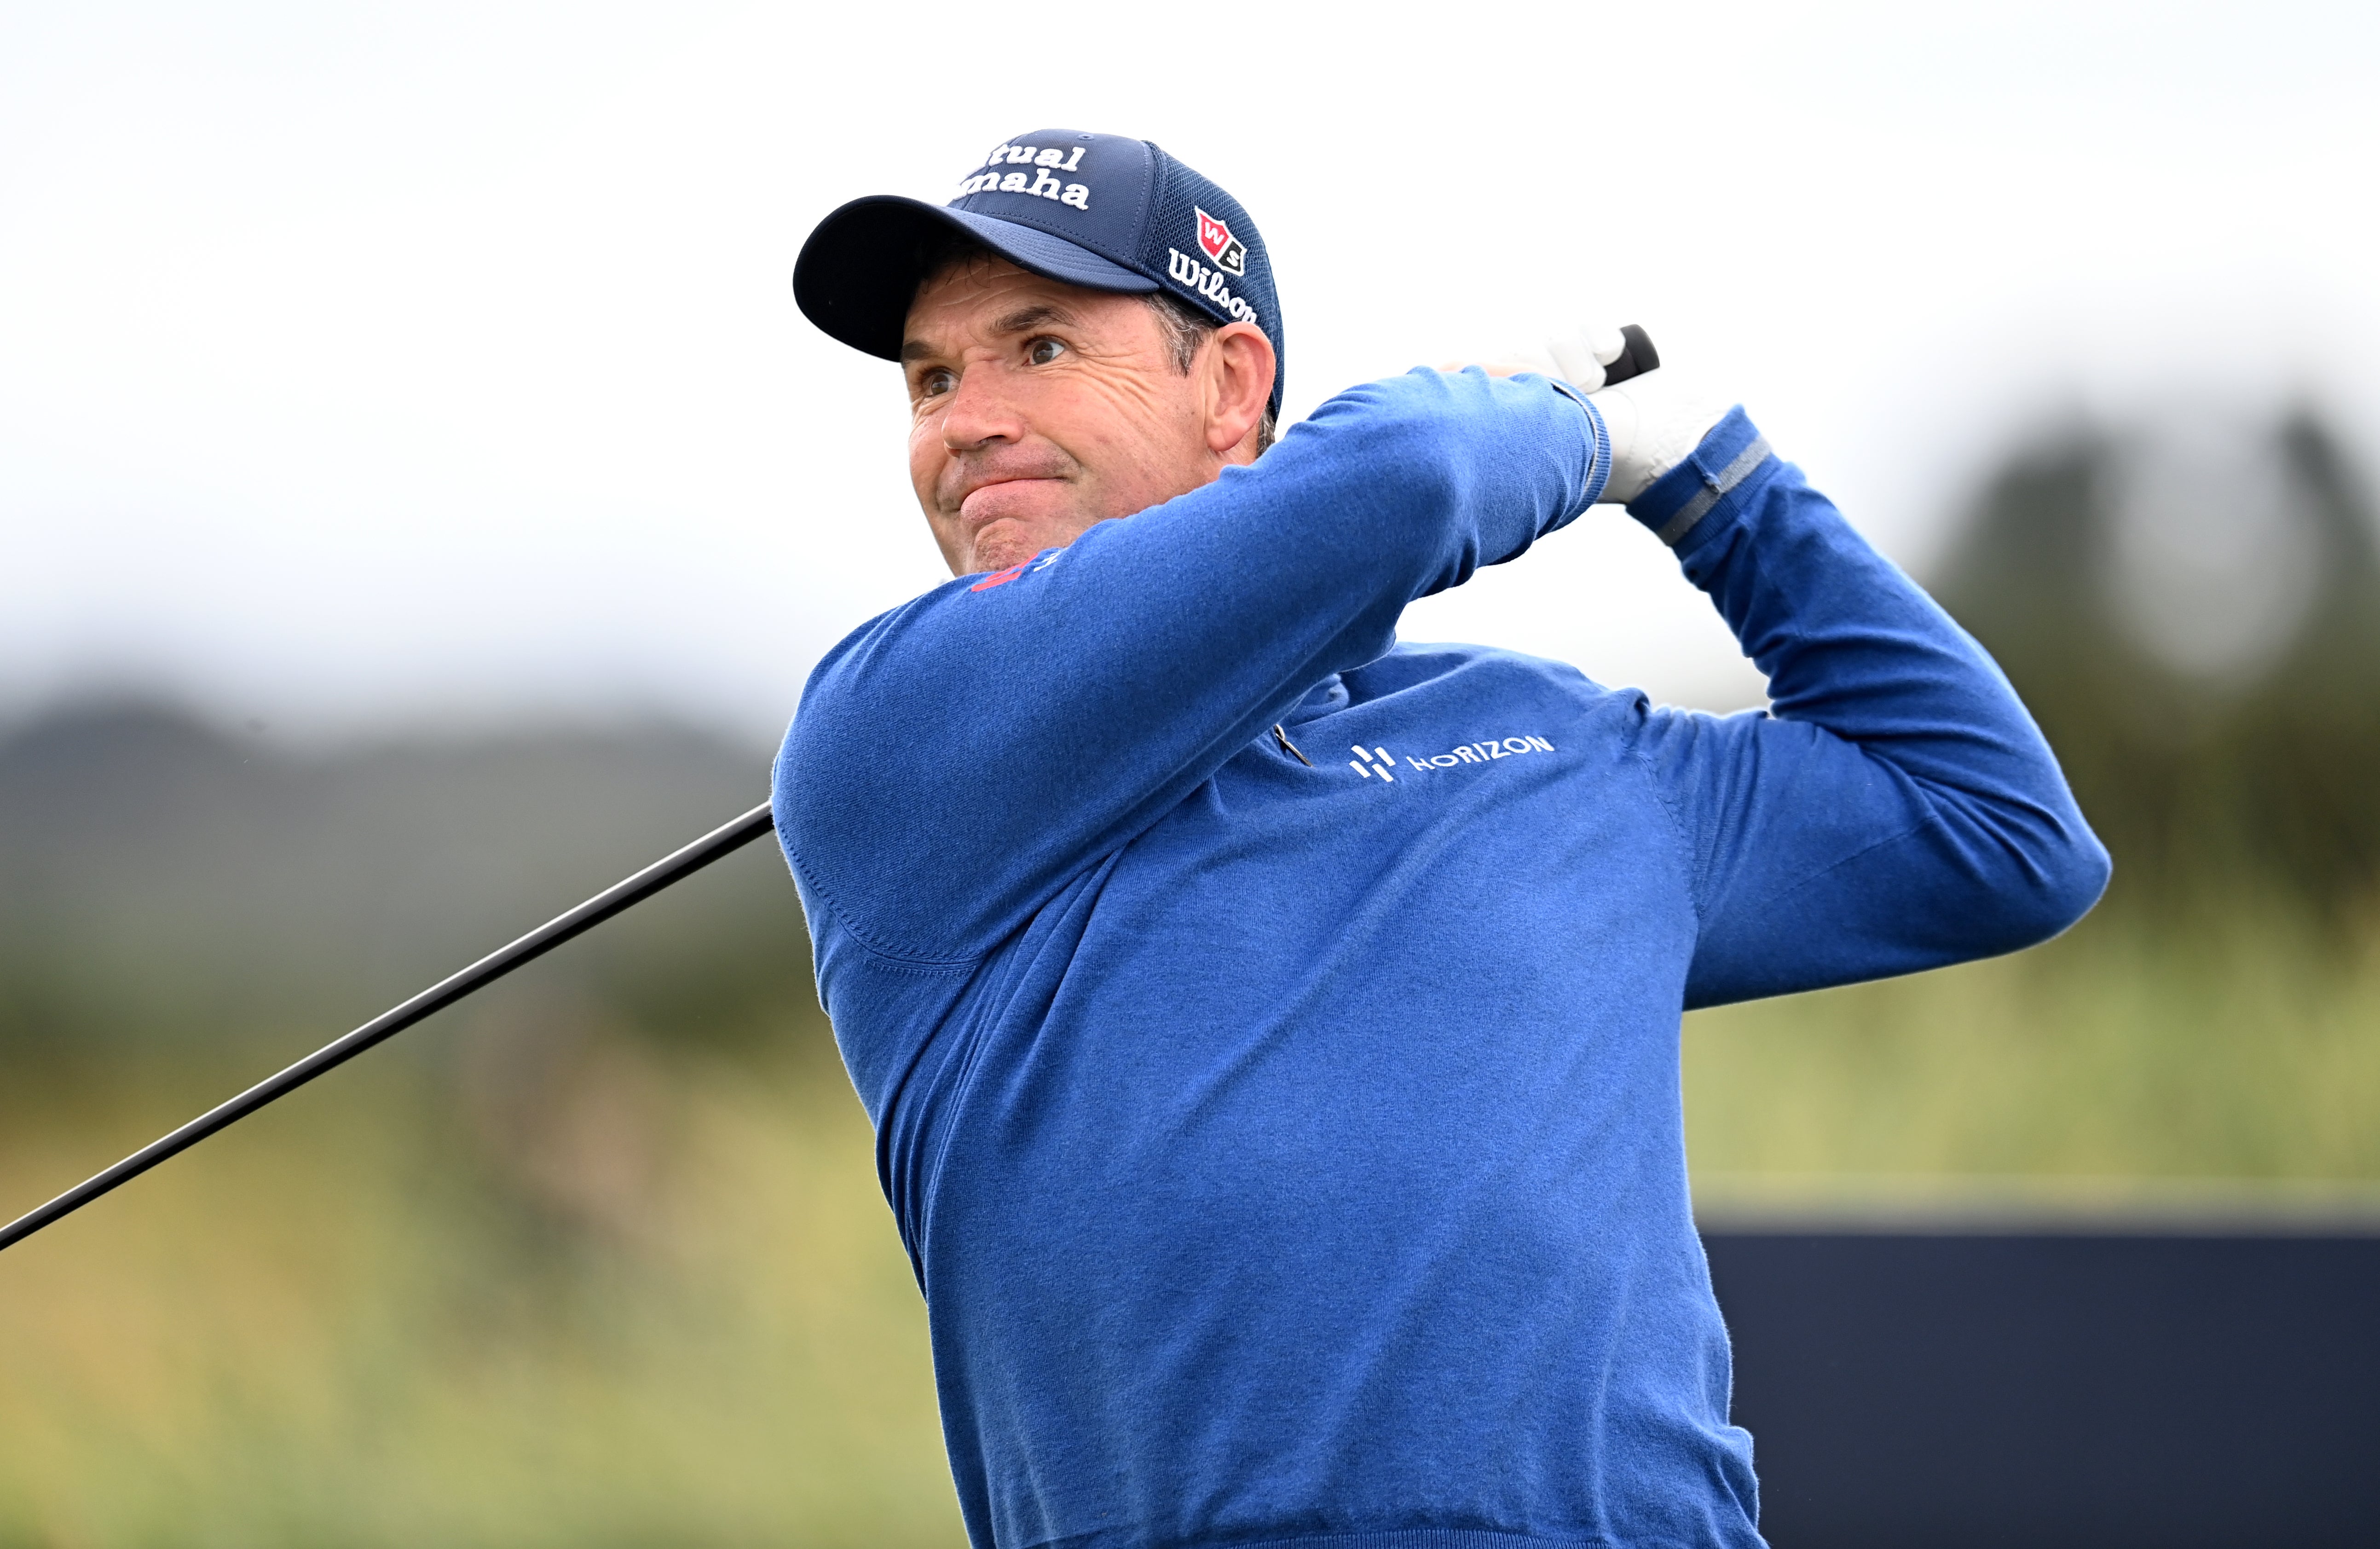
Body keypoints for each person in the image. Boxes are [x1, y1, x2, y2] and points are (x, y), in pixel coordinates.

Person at [775, 128, 2108, 1549]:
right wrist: (1581, 431)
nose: (961, 420)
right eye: (930, 377)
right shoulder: (896, 739)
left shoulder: (1556, 747)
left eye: (1037, 348)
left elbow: (1995, 830)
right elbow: (1409, 475)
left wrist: (1722, 488)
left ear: (1228, 387)